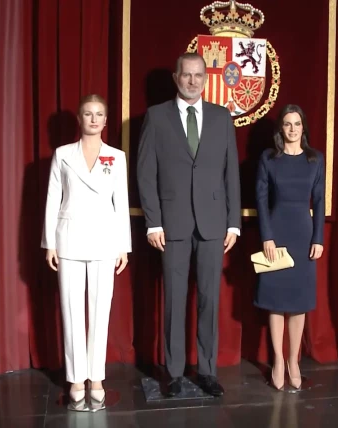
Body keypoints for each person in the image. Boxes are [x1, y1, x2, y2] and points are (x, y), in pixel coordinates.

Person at [137, 52, 241, 397]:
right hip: (172, 224)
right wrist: (153, 223)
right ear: (176, 77)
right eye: (186, 75)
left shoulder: (221, 117)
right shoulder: (155, 117)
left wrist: (234, 223)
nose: (192, 81)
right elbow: (145, 173)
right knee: (174, 300)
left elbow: (232, 174)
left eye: (198, 75)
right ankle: (175, 373)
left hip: (213, 225)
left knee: (210, 300)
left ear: (205, 78)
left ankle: (207, 371)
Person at [41, 94, 131, 411]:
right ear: (79, 119)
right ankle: (76, 376)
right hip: (69, 240)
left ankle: (96, 376)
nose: (94, 119)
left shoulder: (116, 157)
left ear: (106, 121)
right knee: (71, 309)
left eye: (99, 114)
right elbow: (53, 199)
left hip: (105, 240)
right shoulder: (63, 155)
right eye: (88, 114)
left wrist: (124, 245)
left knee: (100, 311)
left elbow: (120, 202)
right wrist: (49, 242)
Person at [254, 104, 325, 390]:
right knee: (275, 301)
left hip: (304, 234)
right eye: (287, 124)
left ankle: (294, 359)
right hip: (276, 232)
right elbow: (260, 198)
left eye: (297, 124)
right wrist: (266, 236)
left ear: (303, 127)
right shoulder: (269, 158)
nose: (293, 129)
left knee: (298, 302)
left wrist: (318, 238)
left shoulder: (315, 159)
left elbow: (319, 201)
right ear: (280, 128)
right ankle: (277, 360)